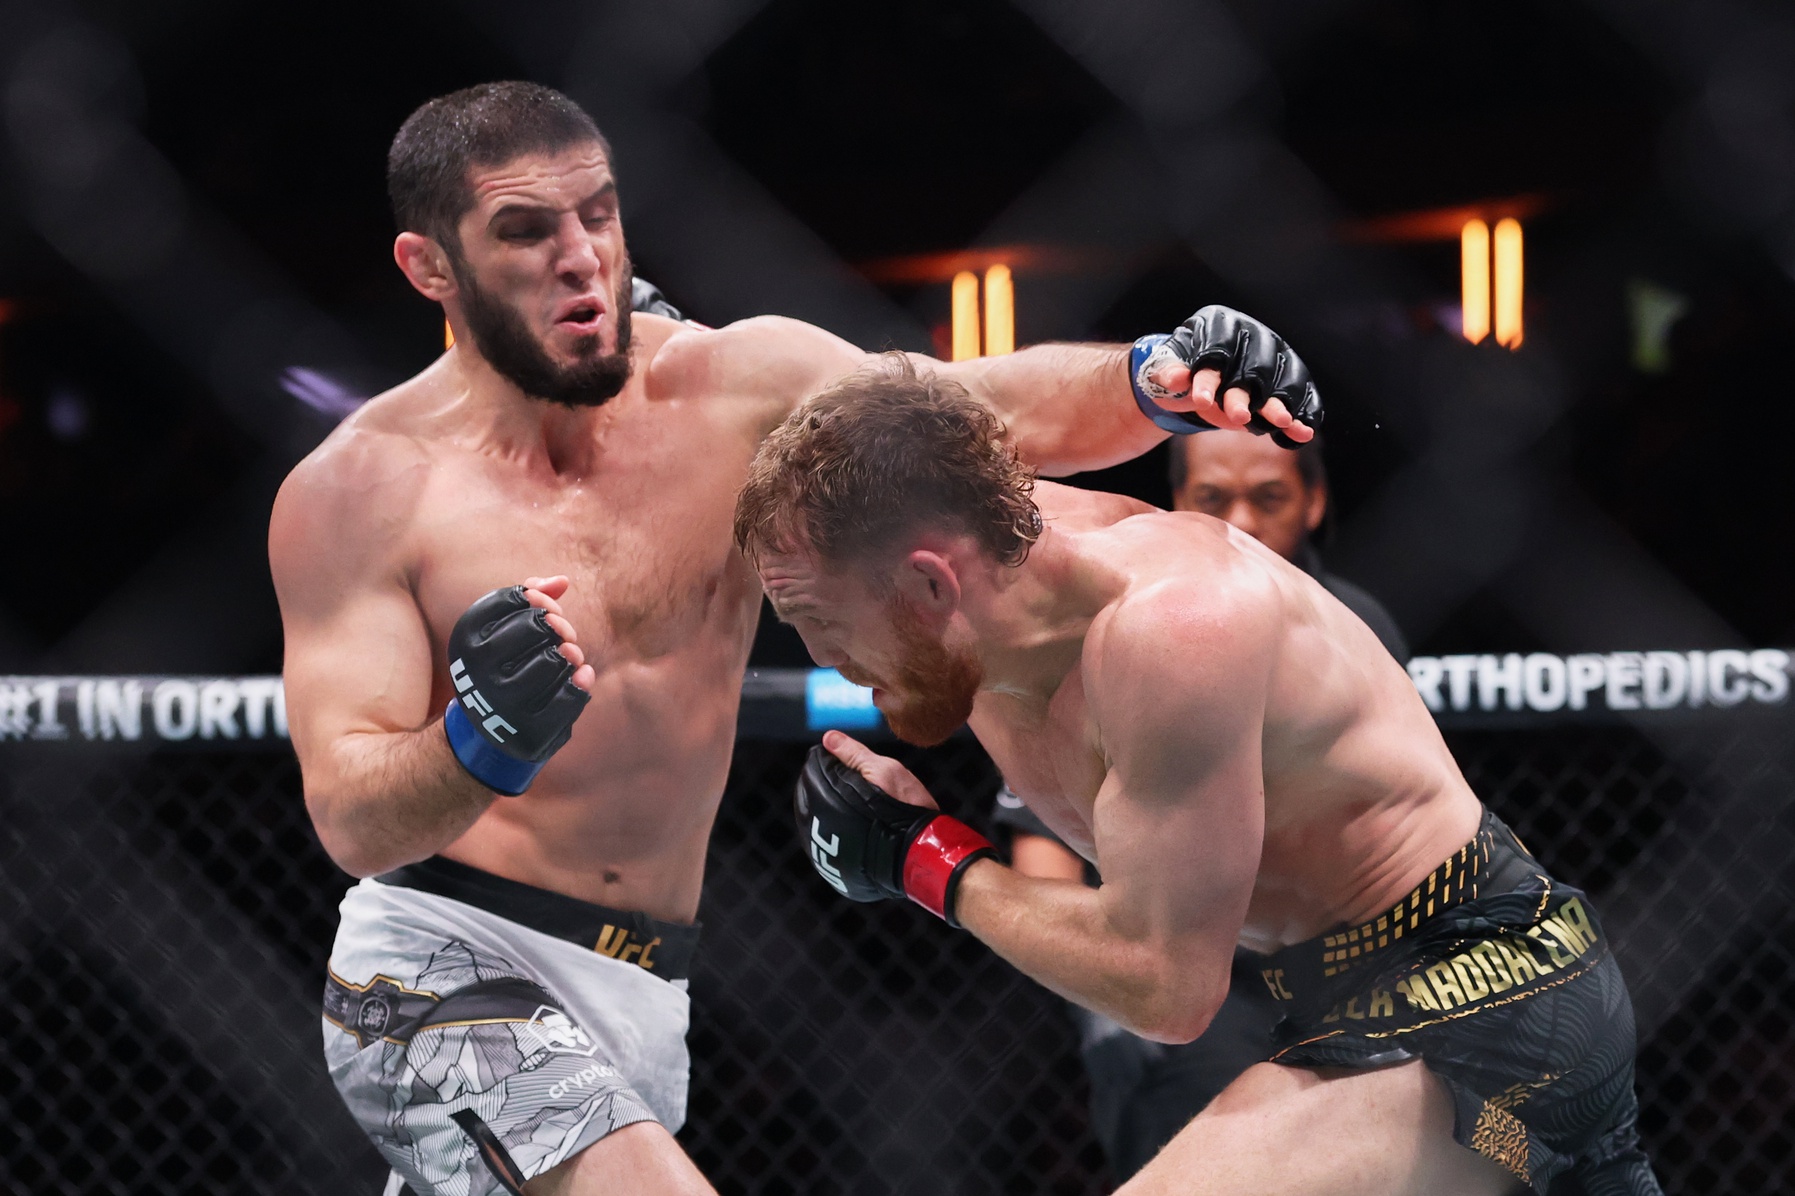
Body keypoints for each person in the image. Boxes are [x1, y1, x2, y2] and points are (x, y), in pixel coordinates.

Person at [269, 81, 1322, 1196]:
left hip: (643, 990)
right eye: (525, 231)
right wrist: (472, 740)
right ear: (430, 266)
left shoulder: (738, 386)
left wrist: (1152, 377)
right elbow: (350, 814)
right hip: (442, 967)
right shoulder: (359, 492)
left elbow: (972, 418)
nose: (581, 257)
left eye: (599, 213)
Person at [734, 358, 1662, 1195]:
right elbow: (918, 409)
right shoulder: (965, 571)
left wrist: (923, 857)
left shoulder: (1172, 631)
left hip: (1483, 985)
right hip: (1342, 999)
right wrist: (1143, 369)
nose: (822, 658)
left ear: (931, 586)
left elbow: (1164, 988)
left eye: (821, 622)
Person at [997, 428, 1409, 1179]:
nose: (1244, 523)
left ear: (1313, 501)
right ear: (1177, 502)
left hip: (1341, 973)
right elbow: (1041, 834)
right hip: (1183, 976)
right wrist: (1096, 993)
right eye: (1214, 500)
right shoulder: (1114, 629)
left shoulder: (1361, 632)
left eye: (1270, 498)